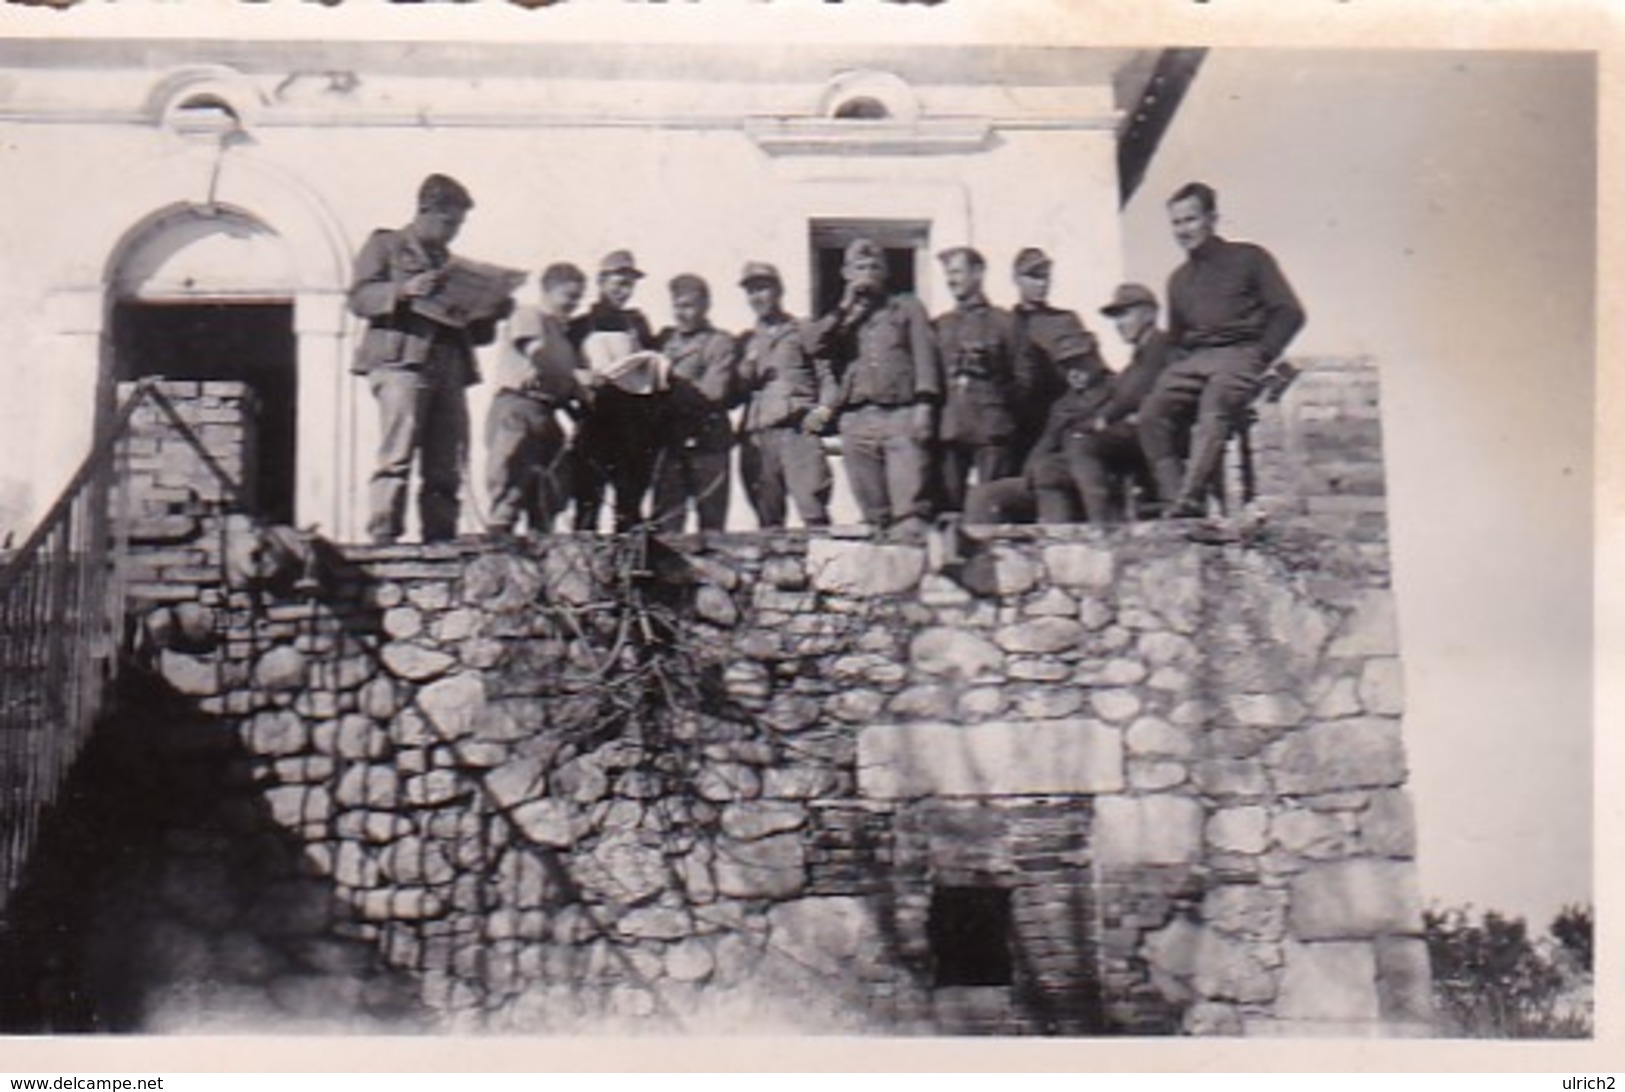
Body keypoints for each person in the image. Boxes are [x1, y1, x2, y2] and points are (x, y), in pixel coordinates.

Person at [348, 173, 503, 544]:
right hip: (402, 362)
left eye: (459, 224)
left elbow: (472, 330)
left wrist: (492, 310)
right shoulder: (386, 245)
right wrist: (402, 290)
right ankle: (384, 533)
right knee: (397, 452)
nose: (454, 232)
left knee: (446, 460)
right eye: (450, 222)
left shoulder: (451, 263)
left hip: (450, 365)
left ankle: (440, 536)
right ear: (425, 210)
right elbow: (358, 298)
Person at [1138, 181, 1306, 518]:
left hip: (1241, 352)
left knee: (1216, 404)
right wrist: (1172, 374)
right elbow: (1176, 339)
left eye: (1190, 219)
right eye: (1176, 223)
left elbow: (1289, 312)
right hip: (1195, 360)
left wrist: (1262, 355)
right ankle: (1176, 501)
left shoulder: (1249, 258)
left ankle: (1192, 497)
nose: (1183, 230)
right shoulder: (1178, 280)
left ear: (1212, 219)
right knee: (1151, 414)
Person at [809, 238, 941, 539]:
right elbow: (814, 346)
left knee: (909, 510)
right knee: (872, 515)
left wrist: (925, 405)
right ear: (846, 272)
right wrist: (846, 307)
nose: (867, 273)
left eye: (874, 267)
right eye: (860, 267)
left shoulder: (906, 307)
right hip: (856, 420)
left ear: (885, 273)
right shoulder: (840, 319)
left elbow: (924, 356)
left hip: (900, 415)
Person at [1029, 283, 1174, 522]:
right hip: (1135, 440)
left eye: (1125, 314)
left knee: (1083, 443)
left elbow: (1132, 394)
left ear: (1150, 313)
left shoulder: (1160, 346)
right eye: (1115, 317)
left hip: (1159, 440)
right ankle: (1058, 545)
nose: (1119, 324)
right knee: (1050, 468)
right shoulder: (1135, 362)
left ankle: (1105, 526)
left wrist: (1101, 420)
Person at [483, 261, 589, 539]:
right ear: (548, 290)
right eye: (568, 296)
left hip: (547, 411)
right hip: (519, 406)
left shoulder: (562, 337)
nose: (573, 304)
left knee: (550, 486)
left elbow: (566, 385)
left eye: (578, 298)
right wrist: (577, 379)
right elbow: (537, 355)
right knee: (511, 474)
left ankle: (540, 538)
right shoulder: (529, 315)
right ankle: (499, 535)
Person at [735, 261, 838, 529]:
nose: (757, 297)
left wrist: (822, 413)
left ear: (778, 290)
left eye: (763, 288)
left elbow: (828, 379)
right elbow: (734, 393)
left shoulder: (802, 330)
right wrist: (745, 369)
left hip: (797, 433)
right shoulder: (745, 340)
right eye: (751, 291)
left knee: (814, 511)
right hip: (758, 436)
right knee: (768, 520)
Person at [568, 250, 662, 532]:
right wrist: (581, 378)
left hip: (633, 419)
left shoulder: (638, 324)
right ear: (601, 281)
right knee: (588, 500)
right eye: (618, 283)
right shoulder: (580, 325)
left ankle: (628, 570)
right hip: (596, 418)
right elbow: (564, 368)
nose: (624, 291)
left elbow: (654, 364)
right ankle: (583, 566)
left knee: (630, 502)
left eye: (629, 285)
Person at [932, 246, 1025, 514]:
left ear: (978, 273)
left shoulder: (1005, 323)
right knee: (948, 509)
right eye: (948, 273)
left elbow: (1024, 381)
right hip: (950, 430)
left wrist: (1000, 406)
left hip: (992, 431)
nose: (951, 279)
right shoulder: (941, 325)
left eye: (957, 271)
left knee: (993, 507)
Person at [651, 274, 739, 534]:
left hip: (708, 444)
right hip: (670, 444)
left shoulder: (719, 342)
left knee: (711, 525)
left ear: (705, 306)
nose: (682, 313)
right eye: (678, 306)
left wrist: (666, 392)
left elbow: (713, 392)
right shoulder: (664, 343)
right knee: (666, 522)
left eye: (689, 306)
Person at [1008, 246, 1109, 465]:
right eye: (1033, 277)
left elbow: (1092, 368)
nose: (1042, 284)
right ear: (1016, 279)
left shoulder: (1064, 320)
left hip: (1057, 417)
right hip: (1016, 422)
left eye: (1045, 277)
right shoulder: (1006, 324)